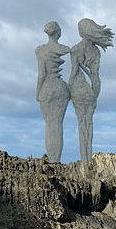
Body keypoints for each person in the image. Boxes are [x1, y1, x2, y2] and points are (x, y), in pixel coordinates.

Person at [69, 18, 114, 162]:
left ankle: (84, 159)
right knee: (89, 123)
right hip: (91, 91)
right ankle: (87, 158)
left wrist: (69, 88)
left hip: (78, 88)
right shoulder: (95, 51)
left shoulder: (75, 49)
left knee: (81, 122)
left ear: (82, 31)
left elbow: (74, 72)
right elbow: (95, 75)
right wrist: (95, 93)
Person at [36, 21, 70, 163]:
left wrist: (38, 91)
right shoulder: (65, 48)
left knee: (49, 125)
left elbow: (42, 73)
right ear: (58, 32)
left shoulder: (40, 50)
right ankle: (55, 160)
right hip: (61, 88)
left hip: (47, 89)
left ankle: (52, 159)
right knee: (57, 125)